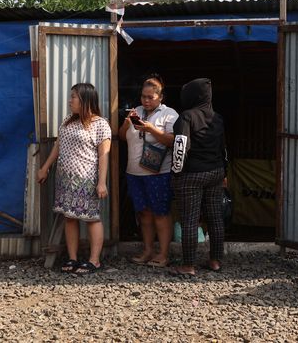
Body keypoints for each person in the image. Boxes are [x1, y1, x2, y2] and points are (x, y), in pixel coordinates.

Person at [37, 83, 111, 275]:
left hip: (87, 180)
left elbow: (104, 155)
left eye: (74, 97)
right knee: (69, 217)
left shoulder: (100, 124)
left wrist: (102, 182)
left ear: (86, 100)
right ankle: (73, 258)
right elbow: (57, 147)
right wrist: (45, 168)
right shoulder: (68, 121)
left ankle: (94, 261)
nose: (70, 101)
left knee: (91, 218)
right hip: (65, 179)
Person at [118, 75, 178, 268]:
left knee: (161, 212)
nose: (146, 100)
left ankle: (163, 254)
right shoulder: (135, 112)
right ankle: (147, 250)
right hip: (134, 171)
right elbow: (120, 137)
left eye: (150, 97)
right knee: (143, 213)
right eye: (143, 96)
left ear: (161, 97)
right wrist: (127, 124)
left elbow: (173, 141)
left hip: (159, 173)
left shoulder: (169, 114)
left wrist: (152, 129)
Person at [170, 78, 226, 277]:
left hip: (191, 175)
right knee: (215, 217)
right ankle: (215, 261)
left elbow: (180, 146)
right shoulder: (217, 117)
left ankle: (188, 265)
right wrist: (224, 173)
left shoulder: (186, 116)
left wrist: (176, 172)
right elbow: (223, 148)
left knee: (190, 220)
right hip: (216, 172)